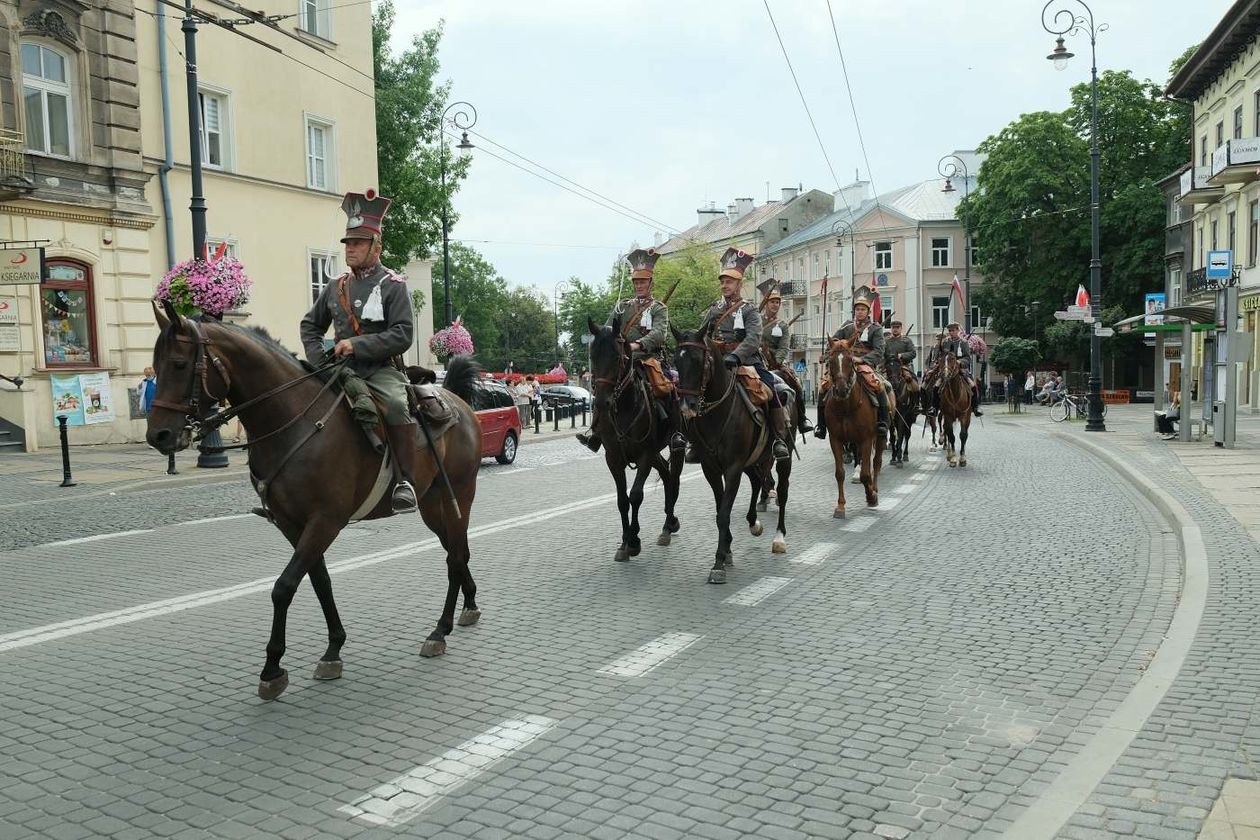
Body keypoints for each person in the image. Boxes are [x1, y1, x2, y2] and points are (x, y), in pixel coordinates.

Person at [300, 189, 418, 513]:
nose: (350, 249)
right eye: (348, 243)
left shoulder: (393, 284)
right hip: (338, 370)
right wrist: (318, 359)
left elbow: (403, 334)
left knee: (395, 404)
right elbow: (310, 327)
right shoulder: (335, 286)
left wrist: (357, 344)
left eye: (358, 243)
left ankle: (405, 481)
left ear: (375, 246)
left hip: (379, 370)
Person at [577, 248, 686, 453]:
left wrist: (637, 344)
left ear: (651, 283)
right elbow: (607, 330)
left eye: (643, 282)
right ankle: (596, 431)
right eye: (636, 282)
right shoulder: (622, 307)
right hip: (622, 359)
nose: (639, 285)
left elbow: (659, 334)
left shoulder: (658, 308)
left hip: (649, 358)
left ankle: (675, 433)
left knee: (668, 388)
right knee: (602, 388)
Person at [691, 247, 791, 463]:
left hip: (747, 361)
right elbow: (702, 335)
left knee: (771, 389)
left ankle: (777, 439)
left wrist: (736, 356)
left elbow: (754, 338)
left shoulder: (749, 310)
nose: (725, 286)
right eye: (723, 282)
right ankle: (694, 440)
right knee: (692, 390)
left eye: (730, 281)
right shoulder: (714, 310)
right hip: (718, 362)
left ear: (739, 284)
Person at [815, 286, 890, 439]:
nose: (860, 312)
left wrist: (861, 359)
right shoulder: (847, 326)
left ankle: (882, 422)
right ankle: (821, 425)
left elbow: (879, 351)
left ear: (868, 312)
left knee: (880, 385)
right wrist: (826, 355)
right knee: (823, 387)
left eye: (863, 309)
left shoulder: (875, 329)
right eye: (857, 309)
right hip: (844, 364)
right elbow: (834, 343)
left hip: (864, 364)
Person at [760, 287, 812, 433]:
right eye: (772, 302)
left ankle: (802, 419)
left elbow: (784, 347)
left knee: (795, 383)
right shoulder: (756, 320)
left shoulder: (782, 325)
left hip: (774, 362)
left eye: (777, 302)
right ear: (766, 304)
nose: (775, 305)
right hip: (755, 358)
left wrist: (775, 361)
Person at [933, 322, 983, 417]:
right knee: (936, 386)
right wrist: (938, 349)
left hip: (960, 370)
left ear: (958, 330)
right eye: (949, 331)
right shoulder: (945, 342)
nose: (951, 332)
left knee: (973, 385)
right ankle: (934, 407)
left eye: (953, 330)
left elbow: (967, 358)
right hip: (947, 370)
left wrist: (960, 362)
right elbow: (940, 356)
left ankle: (976, 407)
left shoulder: (963, 343)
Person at [883, 319, 917, 384]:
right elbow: (881, 353)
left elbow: (913, 353)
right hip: (888, 366)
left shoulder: (907, 340)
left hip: (903, 366)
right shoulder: (885, 341)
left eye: (897, 327)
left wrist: (902, 355)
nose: (895, 329)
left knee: (914, 386)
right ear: (891, 328)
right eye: (893, 327)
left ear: (901, 328)